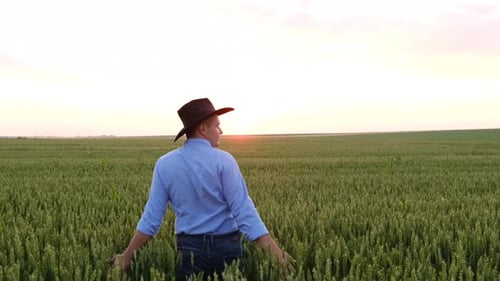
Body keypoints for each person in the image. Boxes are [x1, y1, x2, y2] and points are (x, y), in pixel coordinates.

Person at [111, 98, 294, 280]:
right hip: (227, 247)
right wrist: (278, 256)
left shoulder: (165, 164)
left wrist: (126, 258)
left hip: (189, 249)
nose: (220, 131)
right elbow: (244, 212)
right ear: (203, 129)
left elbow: (151, 219)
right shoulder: (224, 161)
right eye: (217, 126)